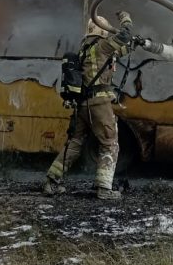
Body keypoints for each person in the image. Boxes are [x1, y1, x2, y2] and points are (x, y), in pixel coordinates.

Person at [45, 10, 134, 202]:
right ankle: (103, 188)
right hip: (99, 103)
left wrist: (138, 43)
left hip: (82, 104)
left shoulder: (85, 48)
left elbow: (120, 50)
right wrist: (125, 18)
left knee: (75, 142)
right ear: (103, 31)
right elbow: (124, 35)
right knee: (110, 143)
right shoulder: (102, 46)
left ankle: (52, 181)